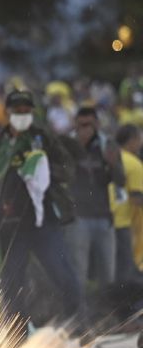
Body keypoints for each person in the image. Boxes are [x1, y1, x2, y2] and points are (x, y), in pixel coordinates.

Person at [0, 89, 82, 330]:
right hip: (9, 225)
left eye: (26, 110)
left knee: (62, 273)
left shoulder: (43, 138)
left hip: (43, 221)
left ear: (33, 112)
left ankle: (75, 321)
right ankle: (18, 331)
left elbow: (68, 169)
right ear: (8, 112)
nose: (22, 115)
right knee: (12, 281)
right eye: (17, 110)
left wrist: (42, 168)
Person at [66, 106, 125, 292]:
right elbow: (59, 177)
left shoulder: (108, 145)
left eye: (89, 124)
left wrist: (113, 164)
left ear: (97, 124)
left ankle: (107, 314)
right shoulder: (67, 144)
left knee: (107, 272)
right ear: (75, 124)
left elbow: (121, 181)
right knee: (78, 272)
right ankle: (81, 314)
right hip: (78, 217)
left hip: (103, 217)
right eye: (81, 124)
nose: (85, 129)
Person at [112, 124, 143, 284]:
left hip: (108, 218)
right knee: (127, 272)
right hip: (126, 222)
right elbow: (137, 198)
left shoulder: (112, 157)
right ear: (132, 140)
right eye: (139, 139)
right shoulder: (135, 164)